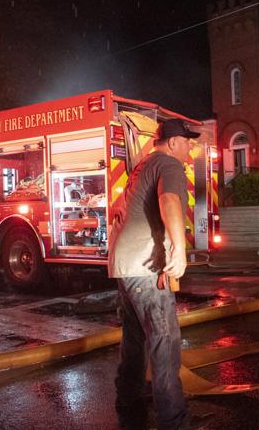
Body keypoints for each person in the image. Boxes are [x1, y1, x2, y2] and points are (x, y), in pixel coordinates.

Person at [108, 118, 199, 430]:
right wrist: (179, 249)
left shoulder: (142, 167)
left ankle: (128, 399)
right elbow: (170, 200)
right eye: (188, 142)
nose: (191, 148)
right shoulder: (170, 165)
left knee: (134, 338)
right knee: (164, 342)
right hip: (146, 267)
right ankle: (174, 421)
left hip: (125, 264)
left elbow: (118, 208)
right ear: (174, 142)